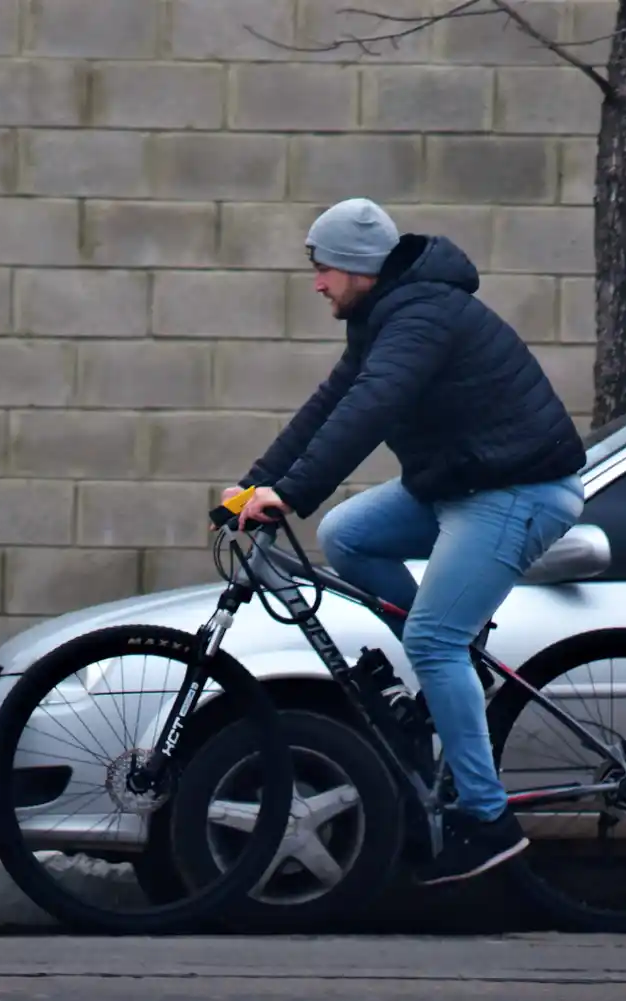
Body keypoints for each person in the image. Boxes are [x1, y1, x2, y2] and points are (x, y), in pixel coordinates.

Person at [221, 197, 588, 887]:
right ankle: (456, 660)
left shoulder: (422, 315)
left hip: (519, 489)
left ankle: (488, 820)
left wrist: (292, 492)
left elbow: (370, 408)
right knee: (348, 535)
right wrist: (253, 486)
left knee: (430, 642)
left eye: (324, 268)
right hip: (462, 482)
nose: (318, 283)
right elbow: (329, 403)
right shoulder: (379, 316)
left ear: (360, 267)